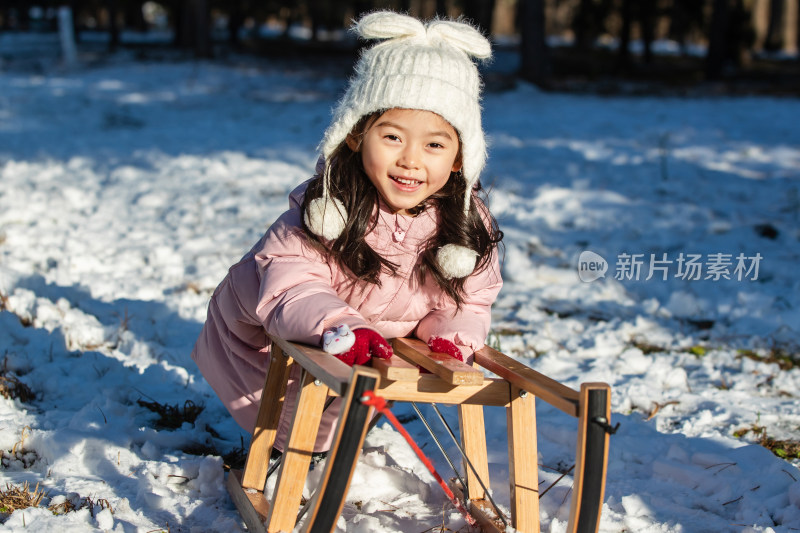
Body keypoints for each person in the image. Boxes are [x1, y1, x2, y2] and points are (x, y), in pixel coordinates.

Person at [191, 10, 503, 453]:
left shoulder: (465, 227)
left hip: (363, 335)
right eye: (392, 137)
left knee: (330, 415)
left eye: (434, 144)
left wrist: (451, 334)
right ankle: (289, 448)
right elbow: (290, 283)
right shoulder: (326, 209)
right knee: (299, 413)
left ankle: (312, 442)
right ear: (356, 136)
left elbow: (472, 297)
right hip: (262, 332)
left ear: (458, 158)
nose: (411, 160)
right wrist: (338, 324)